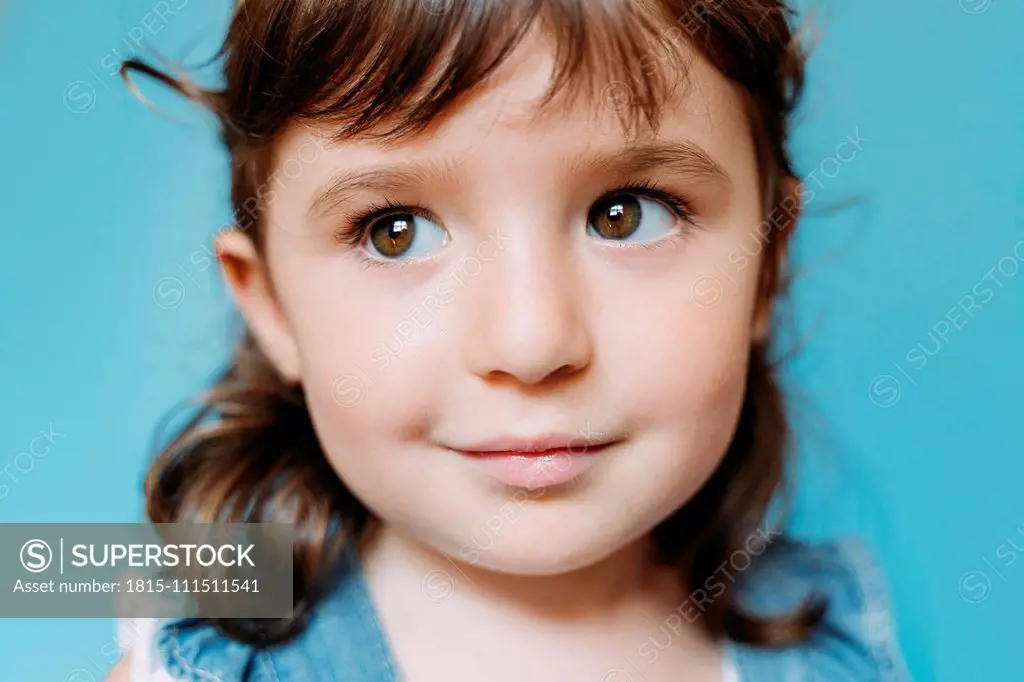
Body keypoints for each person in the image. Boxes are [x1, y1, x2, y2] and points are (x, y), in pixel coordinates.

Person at [107, 0, 913, 679]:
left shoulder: (832, 636)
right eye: (395, 233)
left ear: (765, 267)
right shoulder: (200, 647)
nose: (530, 344)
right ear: (273, 308)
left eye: (625, 213)